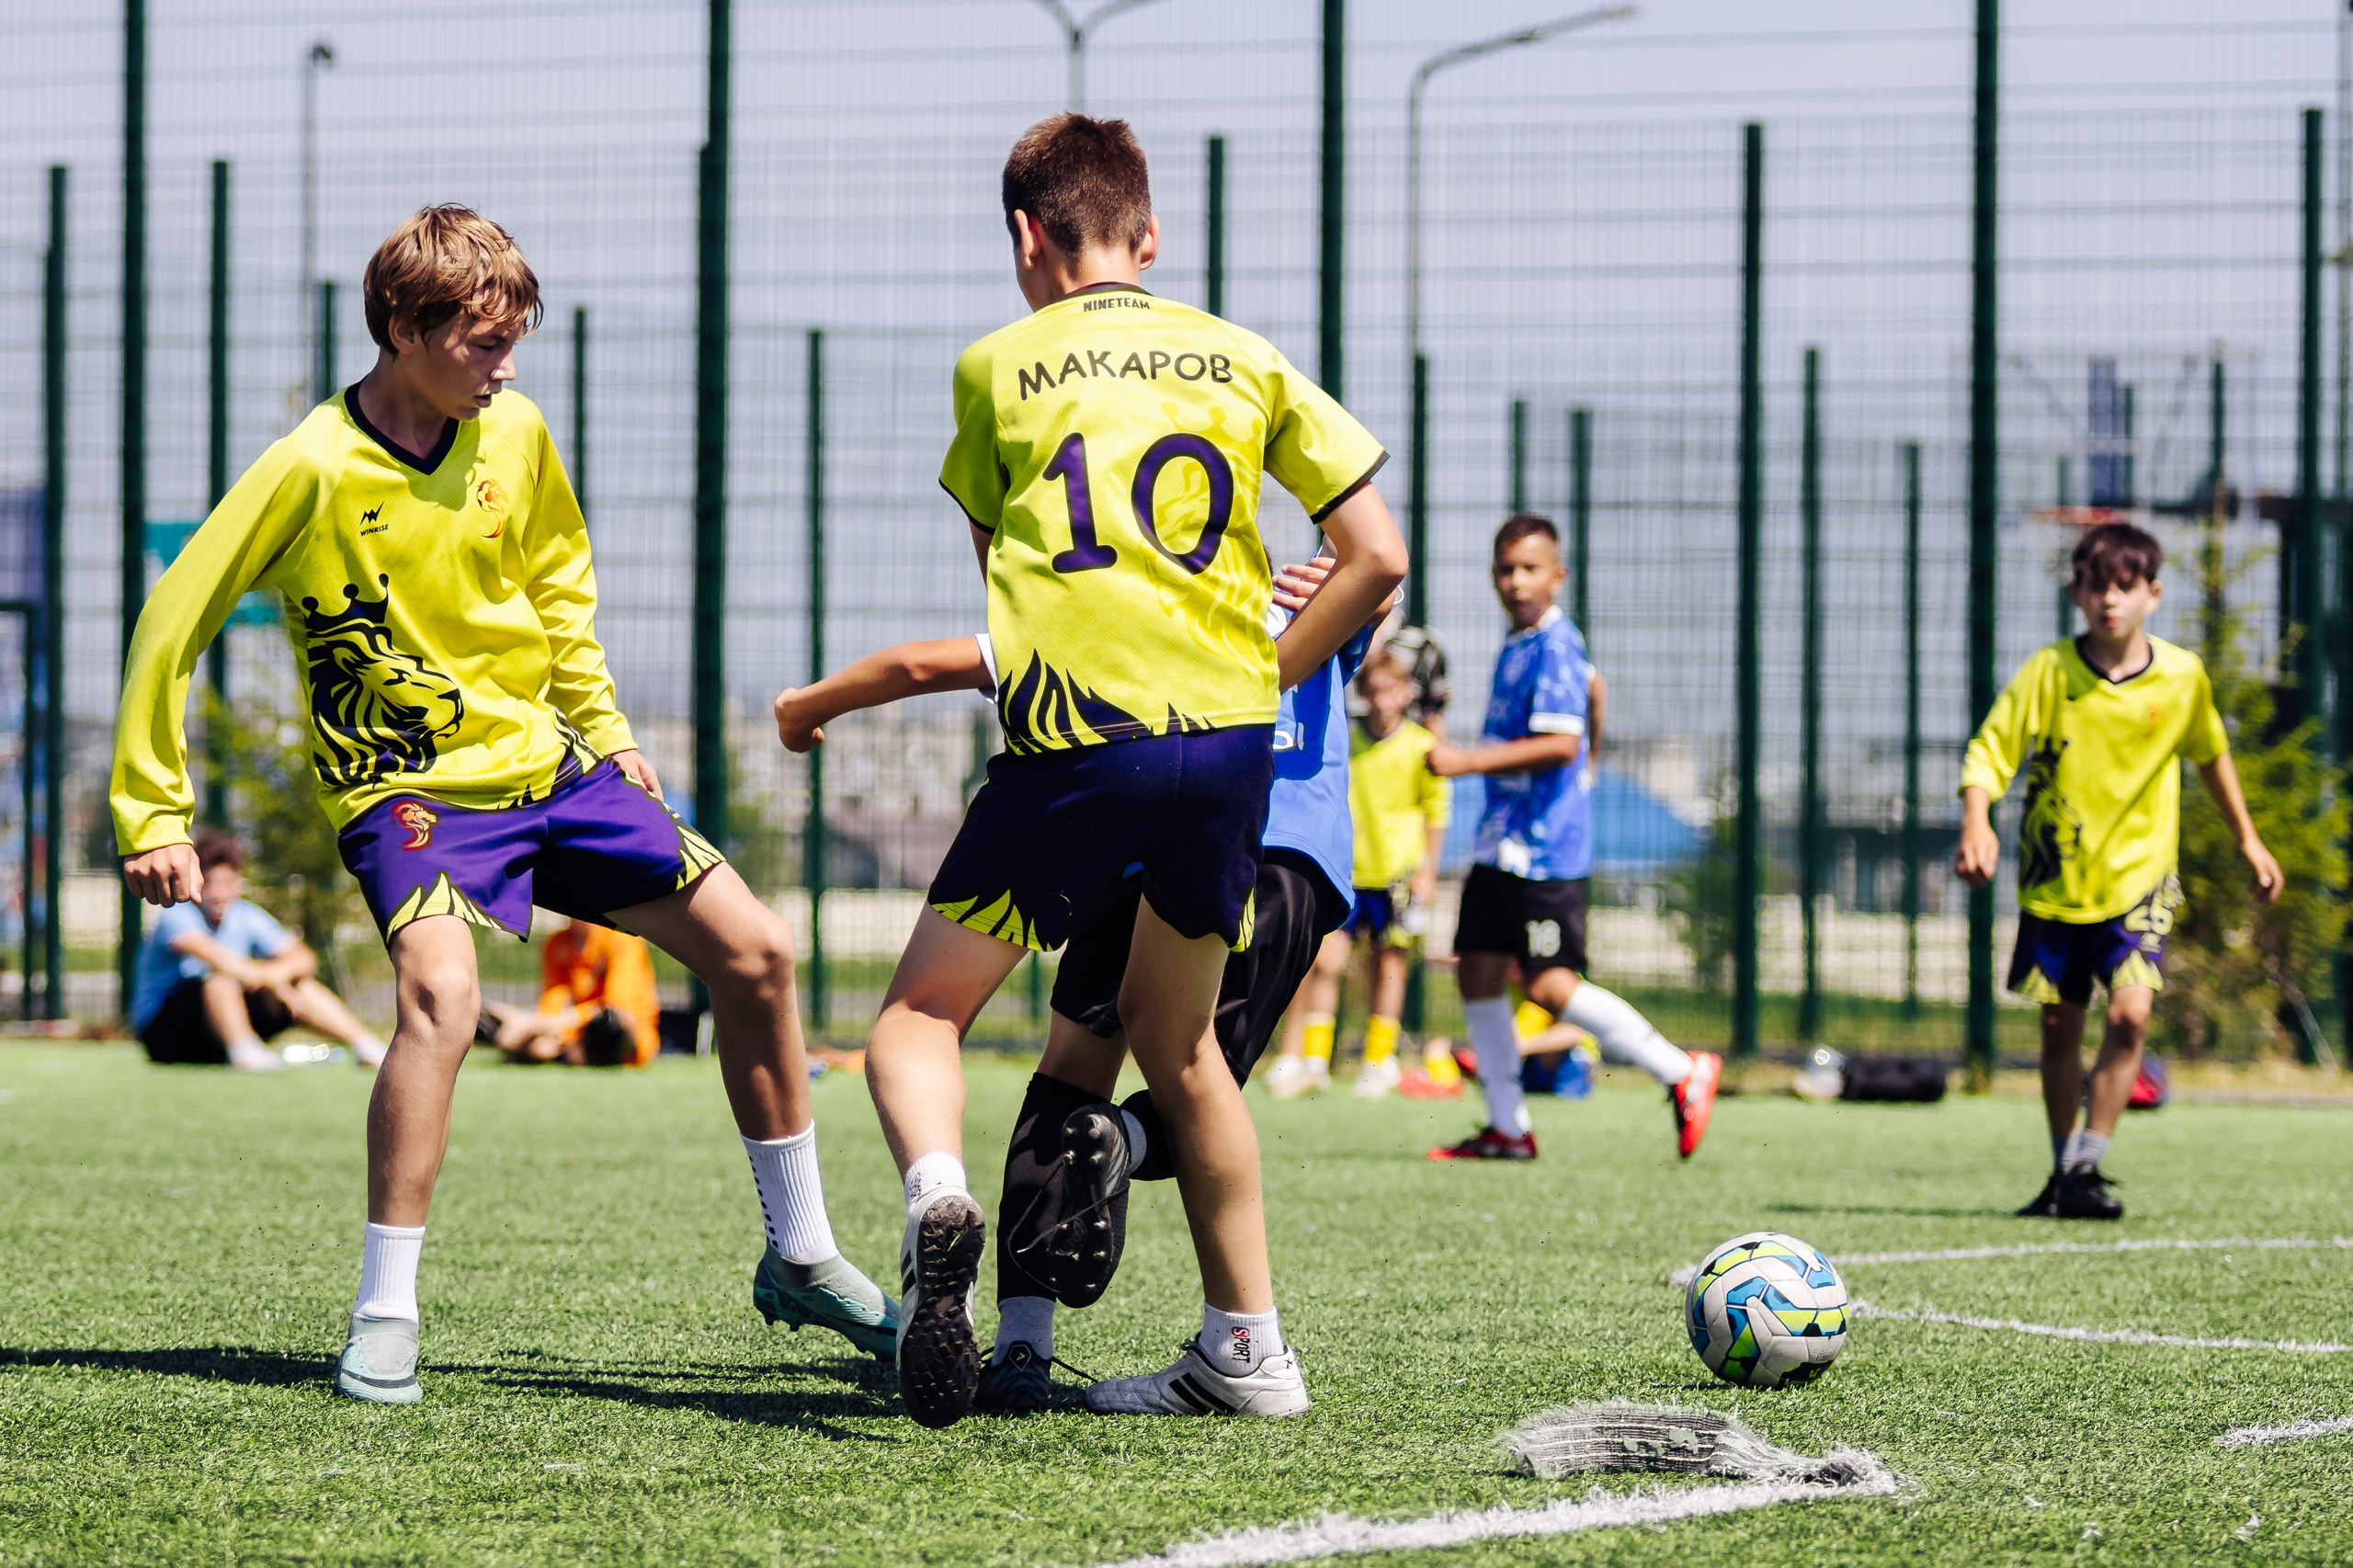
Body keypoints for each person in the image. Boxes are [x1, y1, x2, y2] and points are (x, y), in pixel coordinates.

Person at [112, 206, 893, 1407]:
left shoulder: (515, 433)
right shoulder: (313, 464)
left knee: (760, 953)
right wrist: (153, 811)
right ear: (402, 328)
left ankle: (801, 1254)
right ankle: (385, 1312)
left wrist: (614, 737)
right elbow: (175, 618)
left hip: (552, 766)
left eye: (514, 339)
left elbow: (560, 596)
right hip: (409, 788)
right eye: (483, 341)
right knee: (441, 993)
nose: (507, 365)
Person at [840, 114, 1404, 1428]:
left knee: (920, 1018)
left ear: (1025, 239)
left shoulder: (996, 366)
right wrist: (1263, 676)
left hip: (1079, 742)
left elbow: (1007, 582)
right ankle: (1249, 1350)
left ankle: (939, 1199)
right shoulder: (1246, 355)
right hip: (1227, 752)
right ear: (1151, 238)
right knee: (1183, 1045)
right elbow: (1376, 551)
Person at [770, 549, 1380, 1415]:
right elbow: (1379, 576)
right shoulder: (1296, 597)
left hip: (1135, 840)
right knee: (1198, 1075)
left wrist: (810, 704)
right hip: (1276, 856)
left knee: (1064, 1064)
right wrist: (1336, 577)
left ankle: (1022, 1336)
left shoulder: (1119, 608)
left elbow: (929, 661)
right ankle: (1225, 1316)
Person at [1956, 520, 2279, 1221]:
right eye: (2095, 585)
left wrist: (2248, 840)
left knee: (2131, 1017)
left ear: (2153, 594)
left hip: (2141, 881)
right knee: (2059, 1029)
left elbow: (2211, 755)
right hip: (2057, 885)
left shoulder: (2181, 676)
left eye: (2124, 587)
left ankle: (2086, 1166)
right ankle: (2062, 1168)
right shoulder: (2049, 672)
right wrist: (1976, 819)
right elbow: (1988, 753)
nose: (2109, 600)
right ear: (2075, 592)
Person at [1427, 513, 1721, 1163]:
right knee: (1476, 970)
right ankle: (1508, 1126)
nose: (1515, 580)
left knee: (1549, 985)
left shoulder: (1555, 642)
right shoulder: (1521, 643)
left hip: (1544, 852)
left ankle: (1680, 1069)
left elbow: (1561, 742)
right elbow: (1594, 697)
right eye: (1505, 568)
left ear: (1557, 576)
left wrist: (1465, 761)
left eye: (1530, 568)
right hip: (1500, 843)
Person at [1263, 647, 1449, 1101]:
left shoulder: (1421, 747)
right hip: (1348, 872)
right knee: (1325, 964)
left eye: (1390, 690)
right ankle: (1312, 1060)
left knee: (1388, 966)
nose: (1381, 700)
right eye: (1372, 691)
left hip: (1397, 878)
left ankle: (1376, 1061)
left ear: (1407, 693)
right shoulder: (1347, 742)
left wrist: (1427, 873)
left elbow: (1435, 813)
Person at [128, 828, 385, 1072]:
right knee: (220, 980)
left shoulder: (245, 914)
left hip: (216, 1034)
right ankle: (245, 1052)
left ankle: (367, 1047)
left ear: (239, 882)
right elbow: (223, 963)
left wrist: (280, 977)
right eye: (209, 883)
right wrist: (274, 982)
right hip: (164, 1034)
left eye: (226, 882)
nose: (218, 893)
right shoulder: (177, 913)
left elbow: (304, 958)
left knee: (301, 984)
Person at [476, 915, 662, 1066]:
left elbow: (616, 1007)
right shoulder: (556, 942)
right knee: (537, 1046)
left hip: (624, 1033)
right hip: (576, 1029)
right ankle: (505, 1025)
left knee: (611, 1023)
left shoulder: (621, 939)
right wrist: (543, 1025)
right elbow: (552, 1002)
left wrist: (557, 1021)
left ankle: (510, 1025)